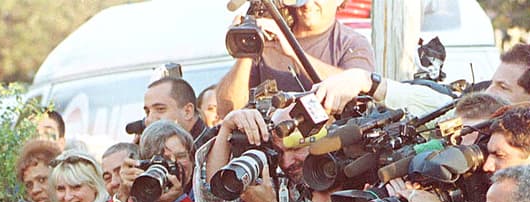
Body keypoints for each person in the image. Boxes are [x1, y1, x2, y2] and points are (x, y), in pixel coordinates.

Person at [216, 0, 375, 117]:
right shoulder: (268, 38)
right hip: (272, 152)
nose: (307, 3)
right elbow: (228, 110)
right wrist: (247, 46)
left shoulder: (353, 44)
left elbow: (357, 98)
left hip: (327, 154)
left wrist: (293, 52)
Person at [143, 76, 207, 142]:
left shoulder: (214, 148)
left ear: (187, 112)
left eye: (160, 109)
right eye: (147, 112)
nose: (149, 120)